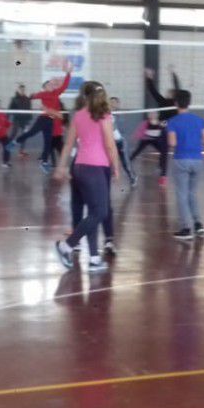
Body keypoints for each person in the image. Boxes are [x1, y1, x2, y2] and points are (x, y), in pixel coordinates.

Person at [53, 81, 120, 273]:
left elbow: (67, 145)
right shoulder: (104, 116)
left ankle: (94, 258)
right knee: (100, 212)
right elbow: (110, 145)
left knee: (93, 212)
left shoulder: (78, 116)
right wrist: (116, 167)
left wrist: (61, 166)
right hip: (96, 169)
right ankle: (65, 246)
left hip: (79, 167)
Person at [8, 64, 72, 173]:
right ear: (45, 87)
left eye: (52, 84)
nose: (52, 85)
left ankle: (44, 163)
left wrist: (68, 73)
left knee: (48, 142)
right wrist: (22, 94)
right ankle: (14, 142)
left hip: (51, 121)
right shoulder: (42, 94)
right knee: (31, 133)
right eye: (49, 84)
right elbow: (30, 97)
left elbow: (65, 85)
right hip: (43, 119)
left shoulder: (56, 93)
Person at [167, 90, 204, 240]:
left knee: (182, 195)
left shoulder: (173, 121)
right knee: (192, 194)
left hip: (181, 160)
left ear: (176, 103)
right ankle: (198, 224)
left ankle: (186, 228)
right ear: (189, 102)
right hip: (197, 160)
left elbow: (172, 143)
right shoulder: (199, 120)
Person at [144, 67, 182, 185]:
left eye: (171, 92)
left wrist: (173, 74)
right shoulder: (162, 101)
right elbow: (153, 91)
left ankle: (173, 170)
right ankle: (163, 173)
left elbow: (177, 87)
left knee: (172, 150)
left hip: (174, 129)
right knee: (164, 151)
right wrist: (149, 78)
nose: (169, 93)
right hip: (165, 129)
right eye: (168, 92)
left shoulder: (176, 101)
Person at [129, 112, 168, 181]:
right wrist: (135, 137)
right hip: (146, 139)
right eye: (151, 114)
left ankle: (163, 172)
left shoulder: (161, 123)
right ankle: (128, 161)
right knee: (137, 150)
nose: (153, 115)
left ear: (157, 115)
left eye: (154, 114)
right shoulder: (145, 123)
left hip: (156, 140)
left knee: (164, 152)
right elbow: (139, 131)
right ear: (149, 115)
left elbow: (165, 132)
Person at [109, 97, 137, 187]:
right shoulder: (105, 114)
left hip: (121, 141)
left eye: (114, 103)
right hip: (110, 141)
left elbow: (121, 128)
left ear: (118, 104)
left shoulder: (120, 115)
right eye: (111, 103)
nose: (112, 104)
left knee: (125, 162)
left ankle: (132, 177)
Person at [8, 84, 33, 153]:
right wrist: (8, 118)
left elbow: (29, 110)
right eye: (21, 89)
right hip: (17, 119)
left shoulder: (27, 99)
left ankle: (21, 150)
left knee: (24, 135)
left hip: (25, 120)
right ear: (18, 90)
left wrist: (28, 121)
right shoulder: (14, 99)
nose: (22, 91)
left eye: (23, 89)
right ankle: (8, 148)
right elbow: (10, 109)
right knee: (13, 134)